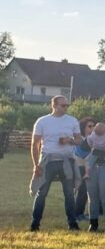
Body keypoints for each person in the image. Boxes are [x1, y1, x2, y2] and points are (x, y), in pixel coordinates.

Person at [29, 95, 83, 232]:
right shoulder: (42, 121)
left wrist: (69, 140)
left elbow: (79, 140)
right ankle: (35, 224)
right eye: (63, 105)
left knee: (69, 194)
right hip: (49, 160)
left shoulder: (72, 121)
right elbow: (35, 144)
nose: (66, 108)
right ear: (54, 105)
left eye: (67, 105)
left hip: (67, 160)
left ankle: (72, 223)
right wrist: (36, 165)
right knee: (42, 192)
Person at [73, 118, 95, 222]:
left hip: (88, 167)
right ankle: (77, 214)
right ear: (83, 128)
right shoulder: (80, 139)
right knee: (81, 191)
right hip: (80, 167)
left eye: (93, 126)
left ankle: (80, 213)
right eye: (89, 126)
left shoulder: (91, 139)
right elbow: (81, 153)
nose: (92, 129)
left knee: (85, 191)